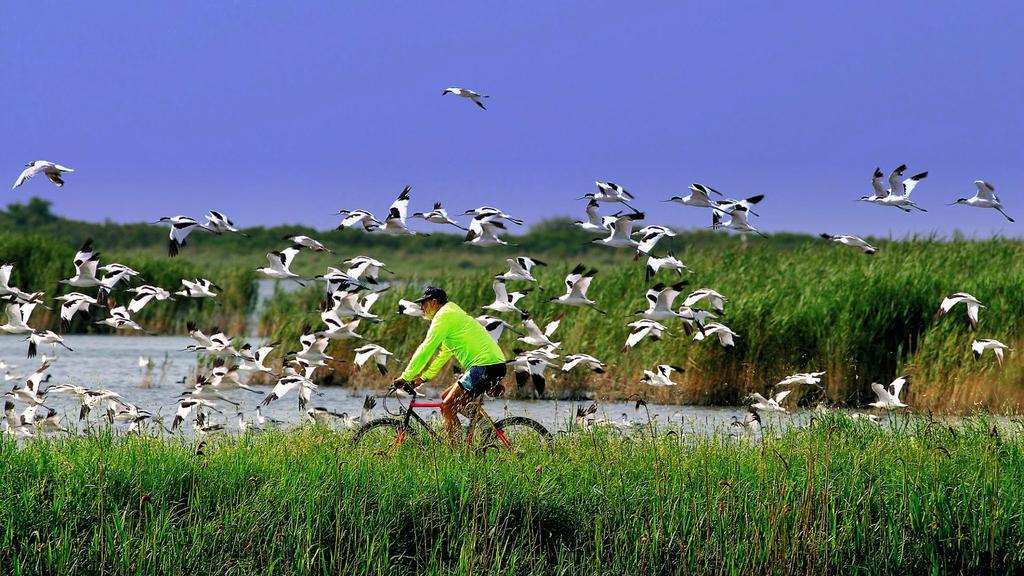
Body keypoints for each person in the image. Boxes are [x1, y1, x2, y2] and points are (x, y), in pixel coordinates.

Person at [392, 286, 507, 441]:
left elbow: (426, 348)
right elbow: (443, 355)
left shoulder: (444, 316)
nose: (421, 308)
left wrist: (406, 376)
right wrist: (423, 378)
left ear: (434, 302)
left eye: (423, 303)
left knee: (447, 406)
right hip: (491, 365)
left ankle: (455, 455)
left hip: (484, 366)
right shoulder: (452, 314)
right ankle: (487, 429)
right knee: (447, 397)